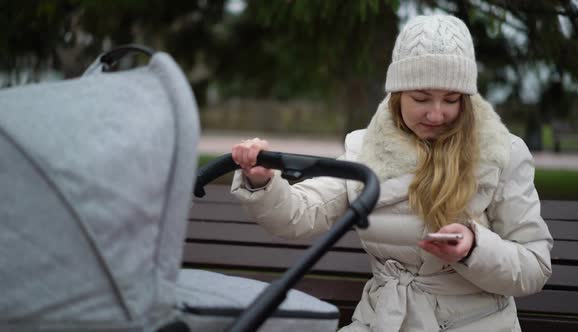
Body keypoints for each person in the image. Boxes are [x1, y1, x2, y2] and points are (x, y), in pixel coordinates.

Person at [230, 14, 553, 331]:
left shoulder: (501, 154)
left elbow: (534, 266)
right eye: (421, 98)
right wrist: (262, 179)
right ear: (397, 95)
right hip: (383, 321)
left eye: (451, 99)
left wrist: (473, 249)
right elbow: (300, 215)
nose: (437, 113)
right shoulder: (367, 150)